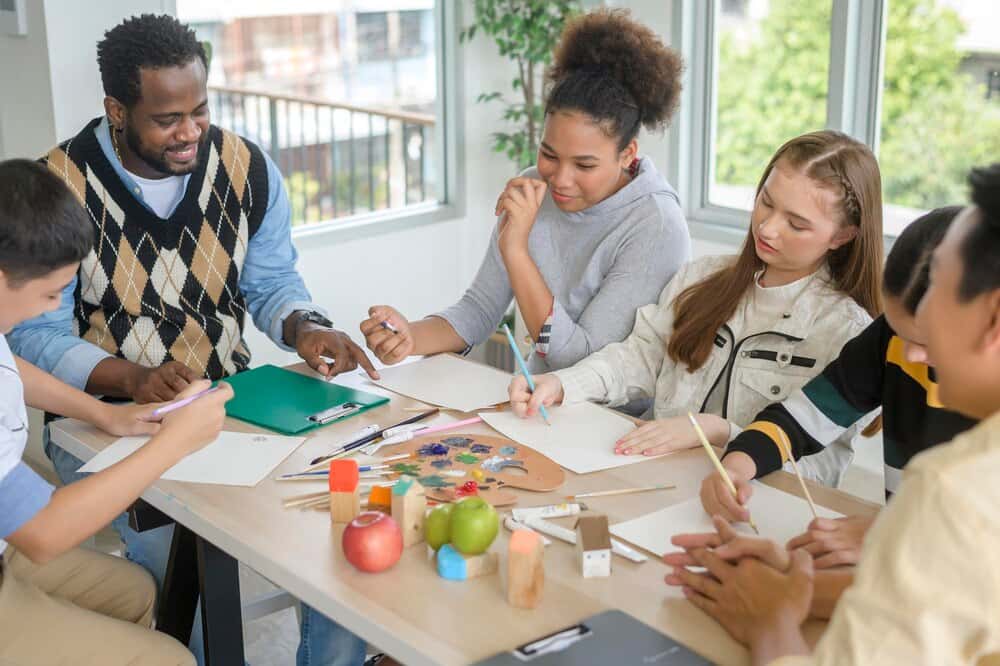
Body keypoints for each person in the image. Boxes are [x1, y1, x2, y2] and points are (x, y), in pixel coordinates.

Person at [9, 15, 372, 666]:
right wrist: (129, 382)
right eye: (167, 118)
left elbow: (271, 282)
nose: (190, 132)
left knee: (333, 532)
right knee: (186, 570)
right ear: (117, 111)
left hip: (233, 405)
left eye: (200, 110)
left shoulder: (246, 168)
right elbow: (32, 333)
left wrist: (304, 327)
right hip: (104, 427)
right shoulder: (58, 187)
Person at [665, 164, 1000, 665]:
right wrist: (798, 585)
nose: (913, 355)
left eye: (936, 310)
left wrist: (772, 625)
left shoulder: (957, 492)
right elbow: (953, 601)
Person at [509, 130, 883, 477]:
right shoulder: (699, 279)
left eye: (796, 224)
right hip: (657, 483)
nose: (767, 228)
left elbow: (818, 471)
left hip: (761, 513)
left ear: (843, 235)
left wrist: (719, 433)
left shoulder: (848, 333)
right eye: (766, 202)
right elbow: (639, 357)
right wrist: (564, 383)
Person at [361, 8, 689, 374]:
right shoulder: (535, 186)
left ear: (628, 154)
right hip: (532, 405)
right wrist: (410, 337)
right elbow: (479, 308)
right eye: (549, 154)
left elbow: (581, 361)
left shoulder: (656, 225)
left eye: (584, 165)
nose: (560, 179)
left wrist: (516, 250)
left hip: (614, 422)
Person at [0, 158, 234, 665]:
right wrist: (176, 442)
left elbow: (10, 366)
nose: (49, 308)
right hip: (17, 550)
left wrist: (105, 415)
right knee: (172, 660)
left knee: (139, 593)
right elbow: (44, 534)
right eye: (48, 293)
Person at [697, 207, 976, 596]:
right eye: (900, 332)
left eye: (929, 343)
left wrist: (894, 531)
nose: (910, 355)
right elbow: (804, 416)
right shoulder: (894, 340)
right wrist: (739, 463)